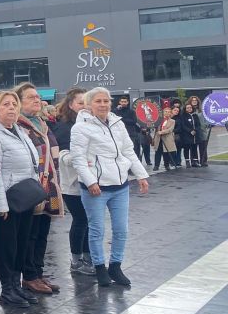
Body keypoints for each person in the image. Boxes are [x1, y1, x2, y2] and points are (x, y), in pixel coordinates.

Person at [70, 87, 149, 286]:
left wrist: (141, 175)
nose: (103, 105)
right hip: (96, 187)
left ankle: (115, 266)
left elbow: (128, 151)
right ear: (89, 104)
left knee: (121, 229)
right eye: (98, 101)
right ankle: (99, 267)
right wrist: (90, 181)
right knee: (97, 230)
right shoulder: (81, 127)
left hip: (120, 185)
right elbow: (78, 159)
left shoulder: (117, 123)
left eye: (106, 101)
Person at [0, 91, 39, 308]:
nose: (11, 108)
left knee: (22, 243)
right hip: (8, 198)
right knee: (7, 246)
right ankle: (7, 289)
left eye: (14, 104)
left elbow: (31, 161)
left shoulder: (17, 130)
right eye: (5, 104)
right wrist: (0, 204)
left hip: (24, 196)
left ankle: (16, 285)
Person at [13, 83, 61, 296]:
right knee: (30, 234)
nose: (37, 100)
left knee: (43, 232)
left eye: (38, 97)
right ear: (19, 102)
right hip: (31, 186)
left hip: (48, 184)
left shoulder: (41, 123)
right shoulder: (18, 126)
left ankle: (38, 272)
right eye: (31, 97)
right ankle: (29, 276)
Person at [50, 88, 96, 276]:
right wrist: (81, 160)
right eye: (80, 103)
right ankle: (76, 260)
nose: (85, 106)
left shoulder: (92, 123)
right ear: (70, 105)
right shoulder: (64, 127)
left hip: (92, 181)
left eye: (87, 102)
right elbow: (62, 155)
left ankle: (88, 257)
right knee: (81, 219)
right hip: (72, 184)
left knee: (89, 220)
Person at [188, 95, 211, 166]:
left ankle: (203, 161)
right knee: (193, 147)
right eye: (193, 100)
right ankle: (194, 161)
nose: (194, 102)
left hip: (202, 130)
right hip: (193, 131)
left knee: (203, 147)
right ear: (190, 101)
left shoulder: (202, 110)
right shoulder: (188, 109)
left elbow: (206, 118)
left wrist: (207, 124)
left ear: (198, 101)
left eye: (195, 100)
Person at [176, 103, 201, 167]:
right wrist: (190, 131)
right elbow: (183, 125)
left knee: (194, 148)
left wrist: (195, 130)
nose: (189, 109)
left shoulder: (195, 115)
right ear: (185, 109)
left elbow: (198, 125)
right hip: (186, 135)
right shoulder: (183, 116)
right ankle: (187, 161)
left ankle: (195, 162)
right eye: (187, 108)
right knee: (186, 149)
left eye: (190, 107)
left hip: (195, 135)